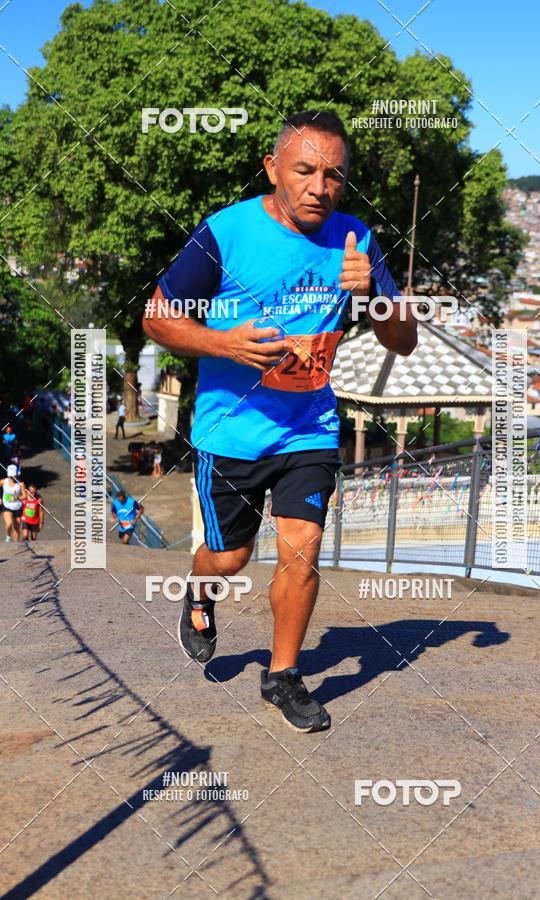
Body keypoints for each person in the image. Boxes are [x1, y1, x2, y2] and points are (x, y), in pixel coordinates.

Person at [143, 109, 417, 732]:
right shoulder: (226, 233)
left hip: (309, 426)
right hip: (232, 431)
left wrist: (371, 293)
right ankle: (200, 588)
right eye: (305, 171)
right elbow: (157, 319)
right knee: (231, 557)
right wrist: (225, 344)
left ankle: (284, 674)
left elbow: (403, 340)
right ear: (273, 170)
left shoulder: (355, 242)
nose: (320, 186)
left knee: (304, 549)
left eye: (334, 175)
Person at [1, 464, 26, 542]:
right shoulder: (3, 481)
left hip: (17, 507)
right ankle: (8, 536)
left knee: (17, 528)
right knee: (9, 523)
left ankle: (15, 545)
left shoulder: (21, 484)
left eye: (14, 475)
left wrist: (17, 498)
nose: (13, 477)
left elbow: (24, 496)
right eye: (11, 476)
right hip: (7, 506)